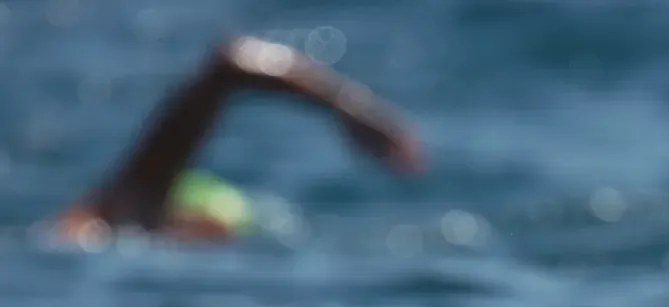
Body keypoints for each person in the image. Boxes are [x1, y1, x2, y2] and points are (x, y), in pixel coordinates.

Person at [55, 35, 421, 244]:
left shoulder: (126, 221)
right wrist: (352, 108)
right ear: (183, 217)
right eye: (212, 230)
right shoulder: (128, 206)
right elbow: (231, 62)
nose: (214, 238)